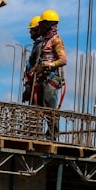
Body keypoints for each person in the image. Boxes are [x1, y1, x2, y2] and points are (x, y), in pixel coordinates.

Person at [33, 9, 67, 140]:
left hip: (51, 77)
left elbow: (63, 60)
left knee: (50, 108)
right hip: (42, 77)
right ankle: (47, 133)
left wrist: (50, 64)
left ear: (48, 25)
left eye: (42, 24)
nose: (40, 27)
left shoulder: (56, 41)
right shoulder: (43, 41)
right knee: (41, 107)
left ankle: (53, 135)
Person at [22, 16, 42, 104]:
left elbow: (37, 67)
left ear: (38, 30)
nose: (30, 32)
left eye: (32, 29)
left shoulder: (40, 46)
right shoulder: (37, 45)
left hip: (36, 84)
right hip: (33, 83)